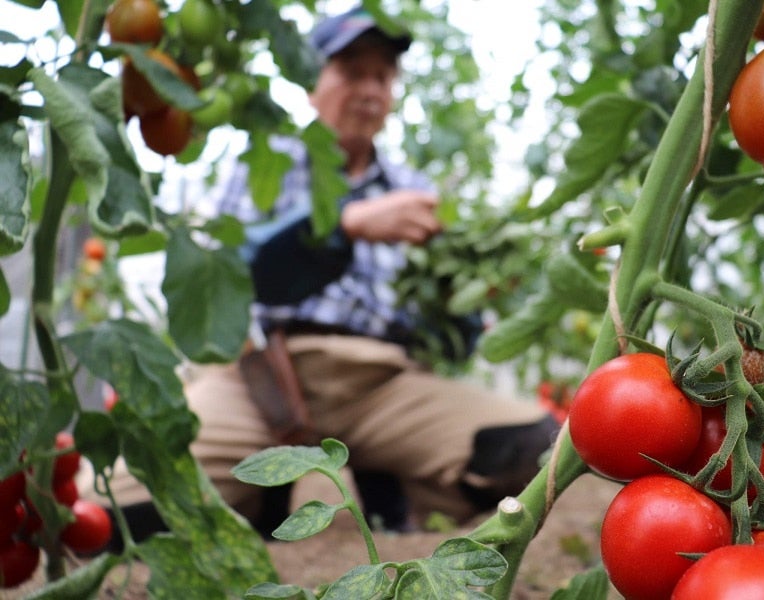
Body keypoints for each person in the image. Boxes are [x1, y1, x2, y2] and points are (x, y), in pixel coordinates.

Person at [95, 5, 557, 541]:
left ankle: (395, 486)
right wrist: (346, 224)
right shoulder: (263, 162)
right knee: (121, 510)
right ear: (312, 85)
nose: (369, 88)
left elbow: (448, 340)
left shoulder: (416, 191)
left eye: (382, 76)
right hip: (265, 378)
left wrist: (467, 306)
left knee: (537, 450)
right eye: (352, 71)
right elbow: (232, 280)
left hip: (384, 387)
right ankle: (250, 496)